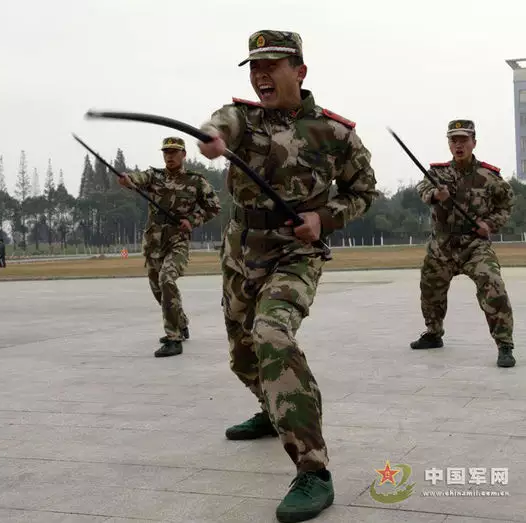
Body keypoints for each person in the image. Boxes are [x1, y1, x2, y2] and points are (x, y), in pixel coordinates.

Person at [198, 30, 378, 523]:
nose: (260, 76)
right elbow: (221, 124)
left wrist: (324, 218)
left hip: (295, 254)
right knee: (242, 355)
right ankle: (271, 407)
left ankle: (313, 469)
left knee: (272, 335)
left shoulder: (333, 133)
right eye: (254, 68)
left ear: (299, 71)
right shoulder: (243, 118)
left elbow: (363, 191)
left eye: (271, 66)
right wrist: (211, 138)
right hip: (241, 254)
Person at [410, 119, 516, 368]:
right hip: (442, 245)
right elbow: (423, 189)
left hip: (474, 246)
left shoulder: (490, 177)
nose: (458, 145)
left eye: (463, 140)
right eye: (453, 140)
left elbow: (506, 205)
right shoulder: (437, 173)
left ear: (474, 143)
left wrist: (489, 225)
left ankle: (505, 344)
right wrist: (437, 194)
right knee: (430, 290)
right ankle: (434, 333)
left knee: (493, 285)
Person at [118, 137, 221, 357]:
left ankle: (174, 339)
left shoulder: (196, 181)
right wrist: (129, 180)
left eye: (174, 152)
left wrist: (192, 221)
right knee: (158, 290)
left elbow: (214, 206)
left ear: (183, 154)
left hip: (178, 242)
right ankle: (180, 323)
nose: (169, 156)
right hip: (154, 243)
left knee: (167, 279)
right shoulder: (154, 176)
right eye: (166, 152)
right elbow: (139, 178)